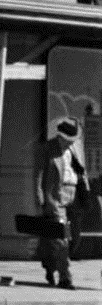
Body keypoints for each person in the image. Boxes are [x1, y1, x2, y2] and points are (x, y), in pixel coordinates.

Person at [36, 117, 89, 289]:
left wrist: (86, 193)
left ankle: (51, 265)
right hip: (55, 196)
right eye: (67, 141)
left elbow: (82, 171)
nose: (69, 144)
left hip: (73, 196)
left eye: (72, 141)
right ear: (59, 137)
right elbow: (39, 175)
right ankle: (65, 277)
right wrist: (41, 198)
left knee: (74, 237)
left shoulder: (75, 148)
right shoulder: (47, 148)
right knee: (61, 238)